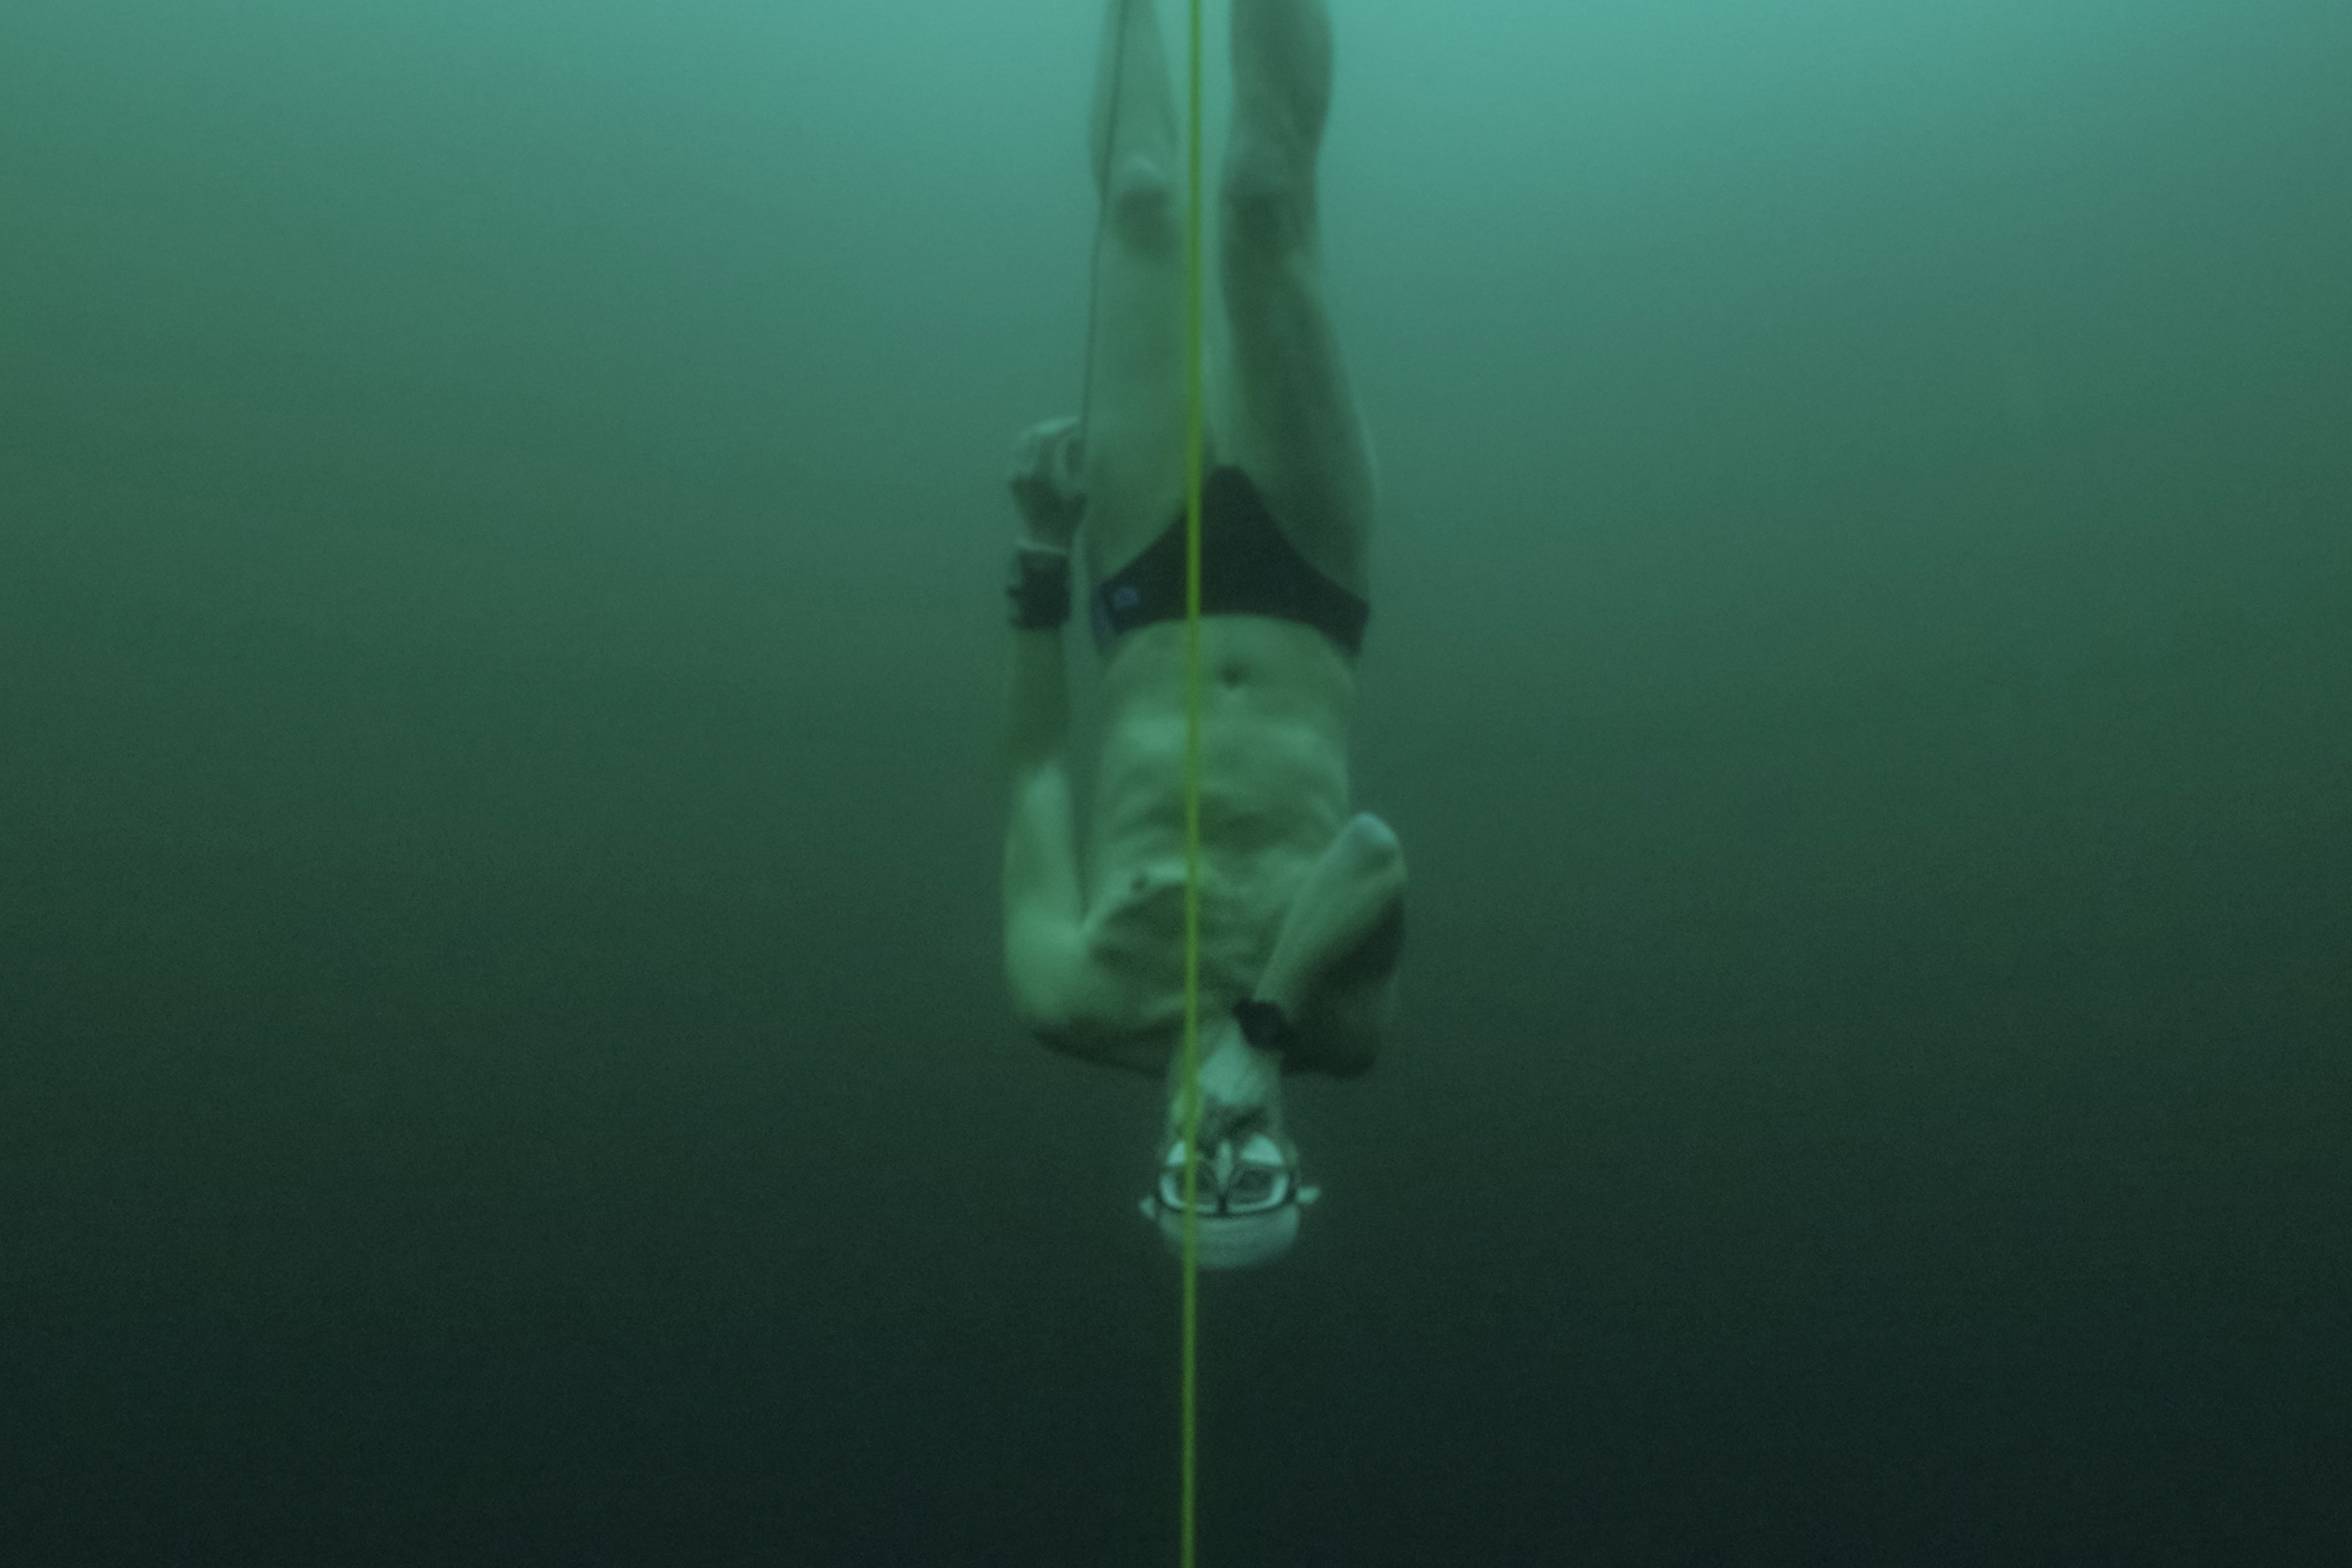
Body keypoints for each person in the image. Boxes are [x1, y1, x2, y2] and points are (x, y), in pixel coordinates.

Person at [1000, 0, 1405, 1271]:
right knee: (1260, 196)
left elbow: (1035, 776)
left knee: (1138, 200)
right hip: (1308, 577)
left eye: (1199, 1176)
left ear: (1164, 1168)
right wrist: (1259, 1032)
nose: (1219, 1148)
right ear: (1289, 1157)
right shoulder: (1340, 1033)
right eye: (1249, 1171)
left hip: (1131, 580)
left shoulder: (1069, 998)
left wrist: (1032, 552)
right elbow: (1369, 854)